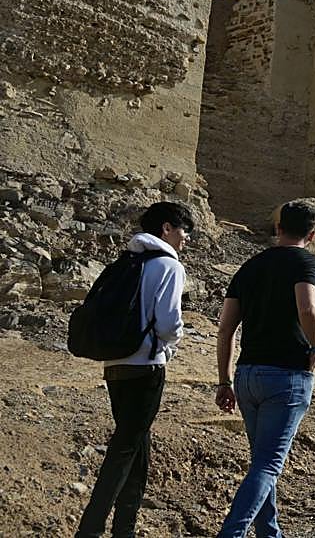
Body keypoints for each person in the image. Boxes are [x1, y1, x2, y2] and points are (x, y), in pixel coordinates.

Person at [75, 202, 192, 538]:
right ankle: (90, 528)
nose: (185, 239)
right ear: (167, 228)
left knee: (138, 445)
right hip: (146, 368)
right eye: (184, 231)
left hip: (114, 366)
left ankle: (124, 529)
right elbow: (170, 323)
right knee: (124, 449)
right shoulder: (168, 265)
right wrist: (169, 347)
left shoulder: (126, 262)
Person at [214, 199, 315, 538]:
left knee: (262, 463)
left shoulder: (249, 266)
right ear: (313, 234)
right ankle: (231, 533)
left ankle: (269, 533)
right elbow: (308, 307)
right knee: (268, 464)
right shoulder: (306, 261)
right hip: (286, 375)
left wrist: (224, 380)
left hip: (247, 376)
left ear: (278, 229)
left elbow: (225, 328)